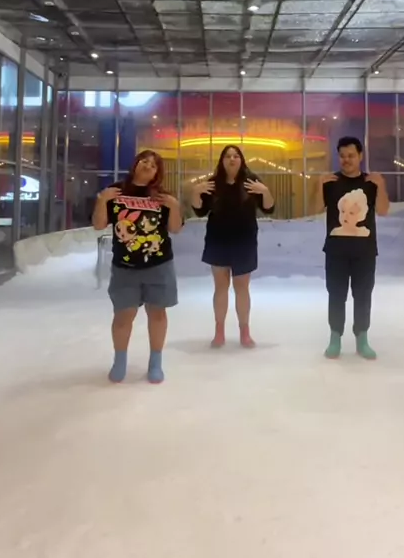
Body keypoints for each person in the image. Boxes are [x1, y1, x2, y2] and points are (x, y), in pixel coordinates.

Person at [92, 149, 183, 384]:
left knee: (157, 314)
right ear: (135, 164)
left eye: (153, 164)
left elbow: (175, 229)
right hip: (125, 267)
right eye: (144, 160)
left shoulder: (162, 197)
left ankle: (156, 362)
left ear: (157, 173)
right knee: (124, 315)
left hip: (159, 265)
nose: (148, 165)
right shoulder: (116, 191)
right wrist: (102, 200)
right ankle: (119, 361)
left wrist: (174, 206)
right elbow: (99, 224)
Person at [191, 145, 275, 349]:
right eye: (227, 156)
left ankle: (244, 331)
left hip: (244, 241)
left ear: (241, 160)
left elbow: (269, 208)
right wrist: (195, 193)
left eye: (236, 156)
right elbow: (200, 211)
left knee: (242, 287)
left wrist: (265, 192)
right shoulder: (213, 184)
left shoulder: (251, 182)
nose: (232, 159)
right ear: (222, 161)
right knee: (221, 287)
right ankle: (219, 331)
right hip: (218, 240)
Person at [315, 136, 390, 361]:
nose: (346, 160)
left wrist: (381, 185)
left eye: (351, 155)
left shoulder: (370, 183)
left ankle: (362, 338)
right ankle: (335, 338)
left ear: (360, 156)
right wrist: (318, 185)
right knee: (336, 295)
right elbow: (315, 209)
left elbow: (383, 210)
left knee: (363, 295)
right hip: (336, 251)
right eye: (342, 156)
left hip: (364, 252)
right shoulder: (330, 182)